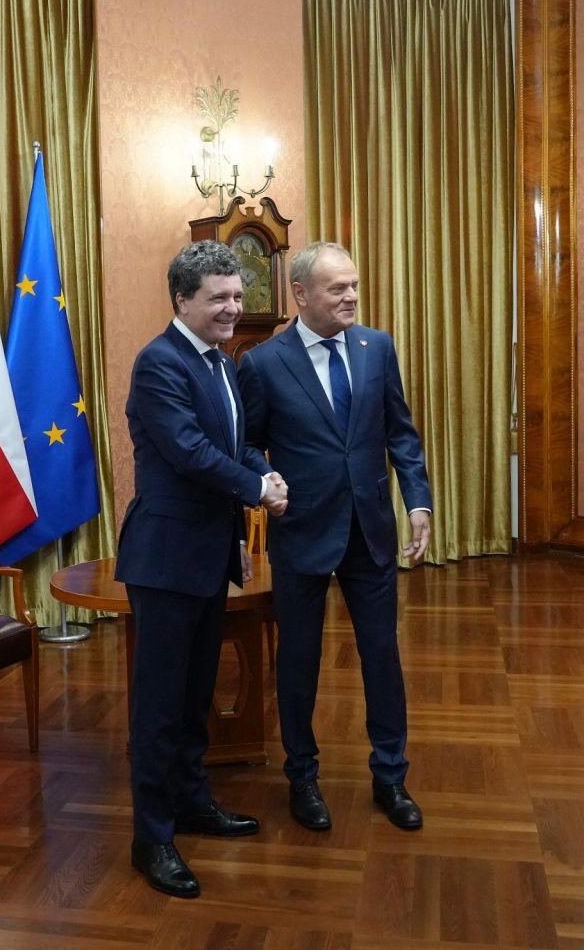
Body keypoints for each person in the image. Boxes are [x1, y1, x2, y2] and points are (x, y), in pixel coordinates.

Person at [237, 240, 431, 832]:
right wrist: (264, 478)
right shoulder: (262, 364)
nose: (352, 296)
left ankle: (391, 777)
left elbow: (400, 432)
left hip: (370, 529)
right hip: (302, 532)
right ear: (300, 294)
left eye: (354, 285)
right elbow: (247, 443)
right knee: (299, 661)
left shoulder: (377, 348)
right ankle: (302, 776)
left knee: (382, 657)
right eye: (337, 288)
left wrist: (417, 500)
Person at [115, 239, 288, 899]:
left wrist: (262, 470)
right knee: (159, 706)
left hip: (209, 554)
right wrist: (256, 489)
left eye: (238, 296)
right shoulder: (158, 363)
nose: (233, 308)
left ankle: (191, 803)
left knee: (193, 698)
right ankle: (151, 839)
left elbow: (233, 442)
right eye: (219, 298)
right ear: (182, 299)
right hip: (165, 559)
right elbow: (188, 451)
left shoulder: (220, 361)